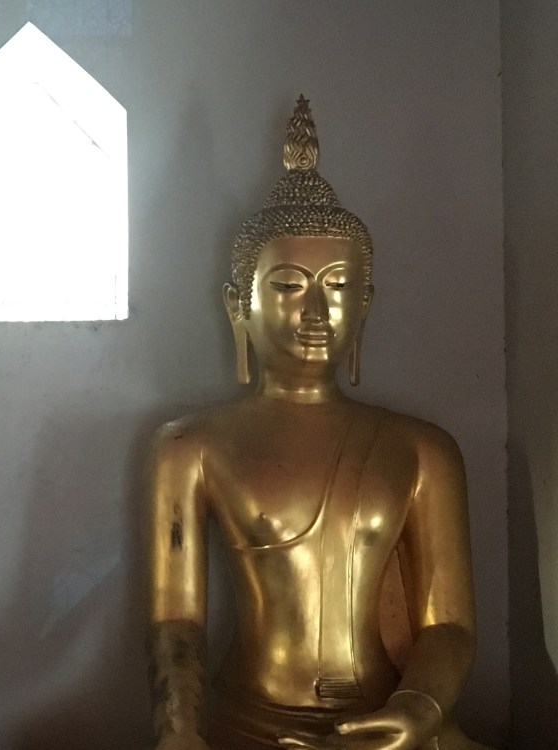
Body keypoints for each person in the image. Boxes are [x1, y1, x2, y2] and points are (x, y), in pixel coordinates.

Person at [146, 96, 490, 750]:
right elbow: (176, 623)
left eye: (337, 286)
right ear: (237, 306)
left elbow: (448, 626)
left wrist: (418, 709)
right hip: (250, 722)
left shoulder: (422, 450)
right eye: (287, 286)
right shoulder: (190, 447)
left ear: (366, 304)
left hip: (390, 720)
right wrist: (178, 730)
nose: (314, 311)